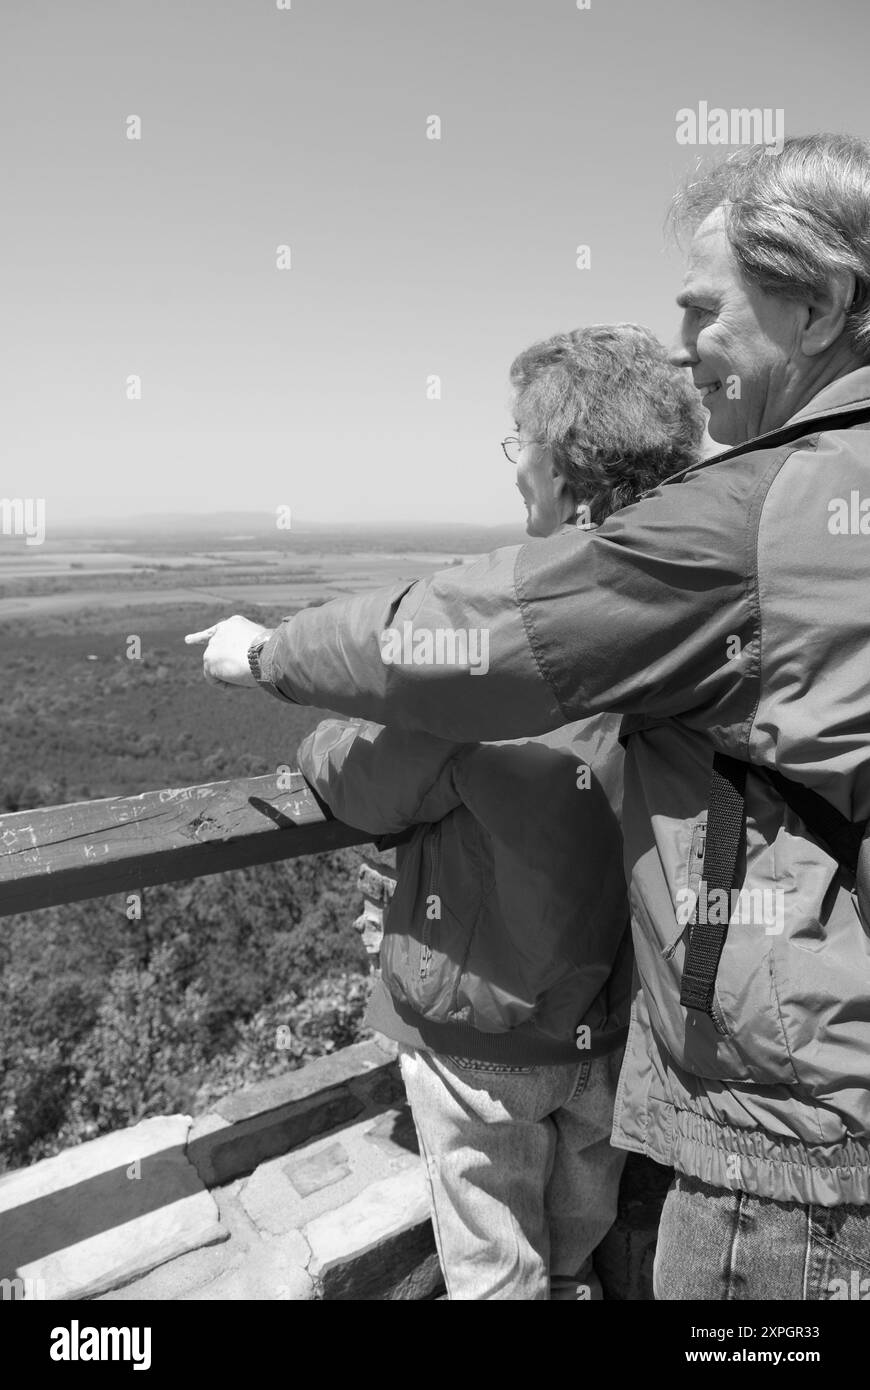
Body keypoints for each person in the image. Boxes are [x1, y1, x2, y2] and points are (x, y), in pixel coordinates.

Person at [188, 134, 870, 1300]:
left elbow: (465, 646)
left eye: (709, 309)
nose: (687, 343)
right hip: (646, 1042)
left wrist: (269, 655)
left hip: (789, 1123)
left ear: (819, 306)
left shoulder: (756, 516)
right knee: (583, 1231)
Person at [294, 324, 704, 1301]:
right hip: (619, 1024)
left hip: (483, 1034)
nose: (513, 460)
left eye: (519, 440)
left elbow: (367, 780)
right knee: (574, 1244)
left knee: (493, 1264)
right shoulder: (695, 612)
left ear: (564, 469)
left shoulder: (499, 634)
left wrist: (317, 741)